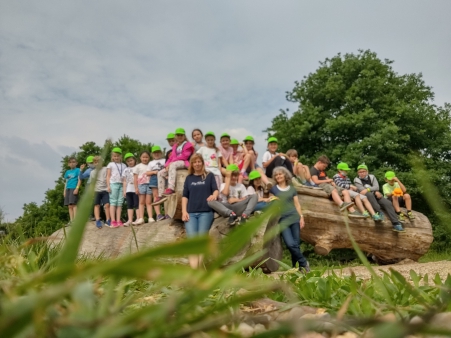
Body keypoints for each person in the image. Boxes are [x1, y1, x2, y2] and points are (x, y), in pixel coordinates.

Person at [269, 166, 310, 273]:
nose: (278, 176)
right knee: (290, 244)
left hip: (294, 217)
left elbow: (297, 205)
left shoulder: (292, 189)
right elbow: (270, 201)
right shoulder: (273, 189)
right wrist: (273, 200)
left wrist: (301, 217)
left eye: (280, 174)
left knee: (296, 245)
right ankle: (304, 262)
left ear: (285, 175)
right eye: (276, 175)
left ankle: (297, 268)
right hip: (283, 219)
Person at [182, 153, 219, 269]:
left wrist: (214, 196)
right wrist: (184, 211)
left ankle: (199, 268)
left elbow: (216, 190)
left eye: (199, 161)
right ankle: (194, 270)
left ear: (202, 163)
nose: (197, 164)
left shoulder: (209, 176)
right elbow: (185, 196)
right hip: (191, 213)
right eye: (194, 162)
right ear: (192, 164)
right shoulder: (189, 178)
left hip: (206, 213)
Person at [353, 164, 405, 232]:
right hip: (365, 197)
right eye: (360, 172)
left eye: (364, 171)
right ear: (358, 173)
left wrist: (371, 190)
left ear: (367, 171)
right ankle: (379, 212)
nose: (362, 173)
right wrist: (374, 191)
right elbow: (362, 191)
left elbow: (377, 187)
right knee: (369, 194)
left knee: (388, 203)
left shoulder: (372, 177)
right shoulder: (356, 180)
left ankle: (396, 223)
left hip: (375, 195)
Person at [157, 127, 194, 199]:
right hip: (175, 163)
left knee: (173, 165)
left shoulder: (187, 144)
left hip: (184, 162)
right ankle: (160, 194)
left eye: (181, 135)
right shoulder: (175, 146)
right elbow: (171, 157)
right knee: (160, 173)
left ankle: (171, 188)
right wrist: (166, 165)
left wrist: (172, 163)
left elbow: (185, 156)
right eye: (178, 135)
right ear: (176, 136)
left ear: (184, 136)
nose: (179, 137)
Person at [106, 147, 127, 228]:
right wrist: (108, 186)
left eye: (118, 156)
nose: (116, 157)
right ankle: (113, 221)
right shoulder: (110, 164)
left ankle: (118, 220)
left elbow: (125, 177)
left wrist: (125, 187)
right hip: (113, 184)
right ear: (112, 156)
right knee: (113, 202)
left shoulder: (124, 165)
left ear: (121, 156)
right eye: (114, 156)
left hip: (121, 184)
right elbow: (108, 176)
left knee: (120, 203)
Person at [133, 151, 153, 225]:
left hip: (149, 184)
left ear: (149, 158)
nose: (145, 159)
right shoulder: (137, 166)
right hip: (141, 185)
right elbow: (135, 178)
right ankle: (141, 218)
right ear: (140, 158)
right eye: (143, 157)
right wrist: (136, 188)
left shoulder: (150, 165)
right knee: (141, 202)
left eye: (146, 157)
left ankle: (150, 217)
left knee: (149, 202)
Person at [90, 156, 110, 229]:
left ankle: (108, 219)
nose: (97, 164)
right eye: (95, 162)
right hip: (96, 190)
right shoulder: (92, 172)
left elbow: (109, 177)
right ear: (94, 164)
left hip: (105, 190)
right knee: (97, 205)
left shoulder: (105, 169)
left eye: (99, 162)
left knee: (107, 205)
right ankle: (97, 220)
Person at [147, 146, 166, 221]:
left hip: (164, 176)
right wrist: (154, 172)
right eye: (155, 152)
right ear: (152, 154)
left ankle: (167, 213)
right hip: (154, 177)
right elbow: (147, 172)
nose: (156, 154)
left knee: (165, 195)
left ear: (161, 153)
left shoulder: (164, 160)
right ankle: (158, 214)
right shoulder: (151, 163)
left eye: (158, 152)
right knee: (156, 196)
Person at [122, 153, 139, 226]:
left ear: (134, 160)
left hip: (136, 188)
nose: (130, 162)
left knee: (136, 204)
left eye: (131, 160)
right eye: (128, 161)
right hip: (128, 188)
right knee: (129, 204)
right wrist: (124, 190)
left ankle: (138, 218)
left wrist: (137, 188)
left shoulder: (137, 167)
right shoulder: (125, 170)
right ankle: (130, 220)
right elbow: (124, 181)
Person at [63, 157, 81, 226]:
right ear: (68, 164)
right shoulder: (67, 172)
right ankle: (71, 220)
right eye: (70, 162)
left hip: (74, 188)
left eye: (73, 162)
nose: (72, 163)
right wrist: (64, 191)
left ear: (76, 163)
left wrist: (77, 188)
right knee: (69, 206)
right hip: (68, 188)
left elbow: (79, 180)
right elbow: (66, 181)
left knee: (73, 204)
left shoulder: (78, 170)